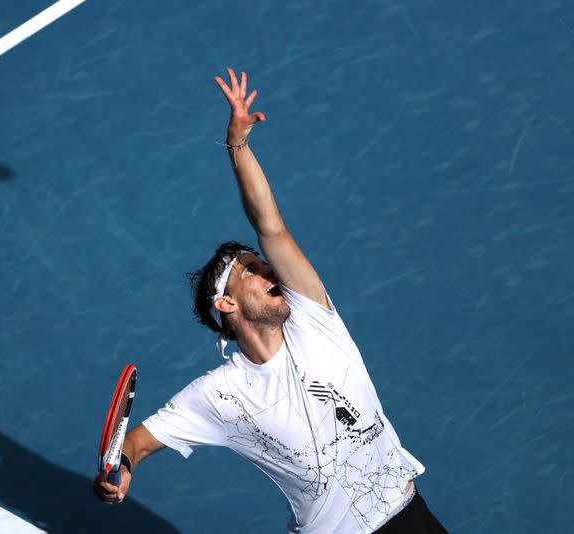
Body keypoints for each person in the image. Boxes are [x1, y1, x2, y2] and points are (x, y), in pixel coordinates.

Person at [94, 68, 448, 533]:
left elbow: (272, 226)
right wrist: (120, 471)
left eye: (264, 264)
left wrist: (238, 146)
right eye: (252, 270)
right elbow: (136, 443)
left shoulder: (313, 319)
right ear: (227, 304)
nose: (269, 271)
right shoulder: (220, 396)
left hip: (411, 517)